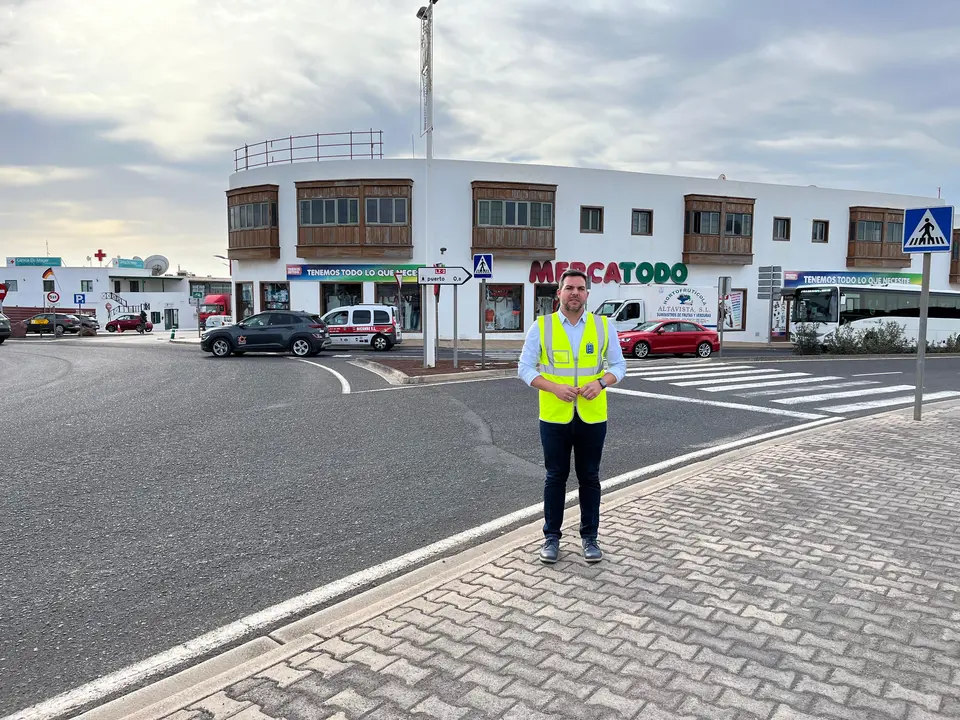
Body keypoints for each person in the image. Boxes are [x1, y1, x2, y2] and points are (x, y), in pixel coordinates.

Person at [518, 268, 627, 564]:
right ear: (559, 294)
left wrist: (601, 382)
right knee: (556, 477)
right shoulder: (541, 326)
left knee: (589, 478)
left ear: (587, 294)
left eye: (580, 288)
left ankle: (590, 537)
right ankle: (551, 537)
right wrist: (554, 387)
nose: (575, 293)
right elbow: (524, 369)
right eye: (569, 288)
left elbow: (619, 367)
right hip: (555, 416)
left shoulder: (604, 326)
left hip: (592, 417)